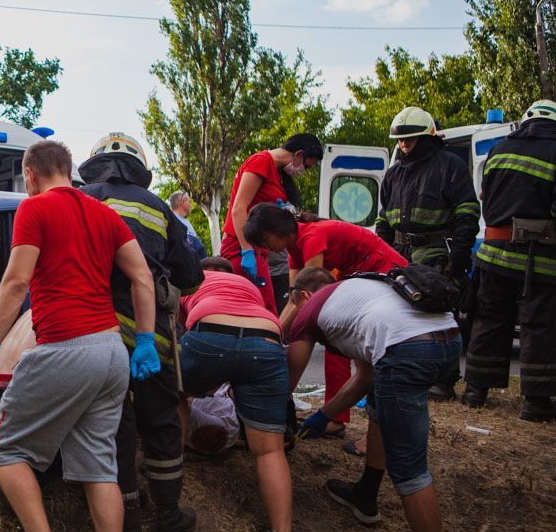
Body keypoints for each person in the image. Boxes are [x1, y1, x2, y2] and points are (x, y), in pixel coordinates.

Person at [0, 140, 157, 532]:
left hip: (65, 347)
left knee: (5, 446)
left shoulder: (34, 210)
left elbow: (16, 281)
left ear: (30, 174)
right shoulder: (104, 214)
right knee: (98, 465)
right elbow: (142, 278)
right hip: (112, 351)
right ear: (68, 169)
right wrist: (149, 340)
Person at [287, 267, 460, 532]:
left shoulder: (308, 313)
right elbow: (366, 376)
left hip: (407, 351)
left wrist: (285, 421)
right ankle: (365, 492)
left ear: (303, 296)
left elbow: (288, 381)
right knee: (382, 402)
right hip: (448, 339)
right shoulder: (359, 291)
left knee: (409, 468)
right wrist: (323, 415)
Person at [79, 134, 204, 532]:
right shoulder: (158, 207)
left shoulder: (76, 198)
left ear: (95, 164)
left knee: (114, 433)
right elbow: (190, 276)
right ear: (139, 168)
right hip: (148, 339)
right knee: (160, 421)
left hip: (92, 335)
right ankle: (167, 514)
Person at [247, 204, 407, 441]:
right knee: (332, 343)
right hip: (359, 277)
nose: (264, 248)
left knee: (336, 342)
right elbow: (295, 298)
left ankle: (327, 417)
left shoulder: (312, 236)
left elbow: (309, 298)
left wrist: (279, 336)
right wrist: (273, 335)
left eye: (263, 239)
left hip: (383, 272)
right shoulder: (295, 247)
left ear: (277, 229)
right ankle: (325, 415)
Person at [462, 100, 556, 422]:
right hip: (538, 259)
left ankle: (475, 391)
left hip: (492, 255)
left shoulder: (499, 150)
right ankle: (536, 403)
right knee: (539, 327)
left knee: (490, 320)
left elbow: (485, 197)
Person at [179, 267, 302, 532]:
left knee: (176, 393)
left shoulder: (190, 277)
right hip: (266, 341)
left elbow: (179, 327)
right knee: (270, 450)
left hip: (209, 333)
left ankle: (172, 467)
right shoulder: (246, 285)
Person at [374, 107, 479, 401]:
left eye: (410, 139)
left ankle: (444, 380)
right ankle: (406, 371)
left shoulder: (450, 166)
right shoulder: (393, 174)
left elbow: (467, 212)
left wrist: (459, 256)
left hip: (435, 252)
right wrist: (380, 249)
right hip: (399, 253)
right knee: (396, 314)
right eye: (400, 140)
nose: (404, 145)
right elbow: (384, 218)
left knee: (440, 315)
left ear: (427, 137)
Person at [220, 134, 324, 311]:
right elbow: (238, 208)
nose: (303, 171)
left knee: (265, 308)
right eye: (306, 166)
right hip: (241, 246)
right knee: (260, 310)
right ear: (298, 154)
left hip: (258, 248)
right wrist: (246, 251)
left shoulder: (278, 174)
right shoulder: (261, 162)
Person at [169, 190, 208, 260]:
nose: (191, 205)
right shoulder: (173, 221)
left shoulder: (182, 221)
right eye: (189, 201)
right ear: (183, 202)